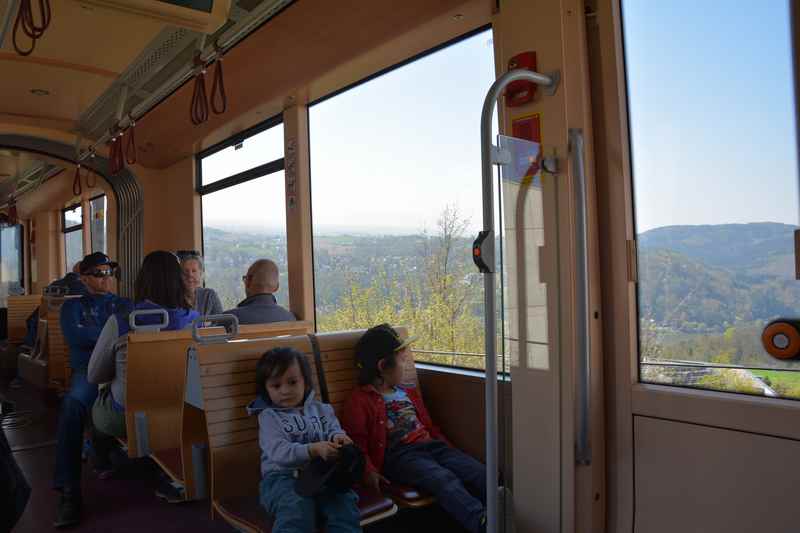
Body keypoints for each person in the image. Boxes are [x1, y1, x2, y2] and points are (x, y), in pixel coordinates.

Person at [342, 324, 487, 533]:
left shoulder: (407, 393)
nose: (406, 364)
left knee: (476, 470)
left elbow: (429, 426)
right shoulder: (359, 401)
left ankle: (500, 507)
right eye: (401, 360)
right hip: (401, 456)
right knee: (442, 478)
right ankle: (482, 522)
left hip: (432, 446)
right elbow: (357, 442)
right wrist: (368, 471)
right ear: (383, 366)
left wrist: (450, 449)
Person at [53, 252, 132, 528]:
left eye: (109, 272)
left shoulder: (125, 304)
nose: (106, 278)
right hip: (88, 372)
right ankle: (69, 490)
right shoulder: (72, 308)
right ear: (84, 278)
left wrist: (97, 332)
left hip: (122, 371)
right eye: (98, 273)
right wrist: (112, 332)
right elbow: (76, 336)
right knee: (73, 405)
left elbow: (129, 332)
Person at [246, 347, 361, 533]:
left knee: (343, 503)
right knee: (297, 508)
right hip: (281, 478)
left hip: (320, 473)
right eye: (276, 385)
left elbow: (334, 429)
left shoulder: (322, 409)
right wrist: (313, 449)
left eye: (292, 382)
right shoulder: (269, 417)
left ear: (305, 382)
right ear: (266, 390)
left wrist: (339, 438)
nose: (285, 390)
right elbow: (279, 452)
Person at [88, 251, 199, 440]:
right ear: (179, 281)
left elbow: (94, 375)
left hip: (129, 417)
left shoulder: (123, 321)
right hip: (180, 411)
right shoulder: (196, 322)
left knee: (99, 402)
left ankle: (103, 461)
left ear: (142, 280)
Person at [223, 259, 295, 325]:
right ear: (276, 287)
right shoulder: (290, 318)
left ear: (248, 281)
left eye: (244, 279)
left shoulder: (229, 319)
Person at [177, 250, 223, 317]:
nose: (190, 275)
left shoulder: (210, 295)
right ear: (179, 275)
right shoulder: (173, 298)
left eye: (194, 271)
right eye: (186, 271)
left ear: (200, 273)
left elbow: (222, 322)